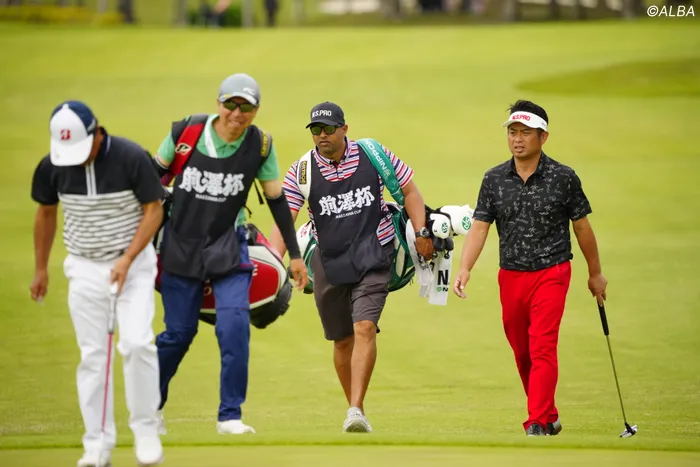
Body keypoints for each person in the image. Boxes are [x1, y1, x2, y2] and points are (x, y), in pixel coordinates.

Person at [151, 73, 308, 435]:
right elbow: (151, 180)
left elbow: (277, 200)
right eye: (231, 104)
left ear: (256, 110)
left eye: (246, 106)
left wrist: (295, 255)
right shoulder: (186, 133)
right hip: (180, 247)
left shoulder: (261, 145)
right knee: (178, 334)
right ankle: (151, 406)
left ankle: (230, 416)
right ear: (218, 104)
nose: (237, 113)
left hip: (228, 246)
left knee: (234, 327)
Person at [269, 101, 434, 433]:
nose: (322, 135)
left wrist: (422, 232)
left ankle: (356, 410)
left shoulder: (373, 155)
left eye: (329, 129)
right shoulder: (302, 170)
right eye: (316, 130)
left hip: (375, 253)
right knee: (342, 340)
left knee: (364, 328)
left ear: (344, 129)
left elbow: (410, 192)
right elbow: (286, 219)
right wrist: (274, 263)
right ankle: (355, 408)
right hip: (329, 261)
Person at [453, 100, 608, 436]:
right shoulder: (494, 178)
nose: (518, 139)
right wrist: (465, 268)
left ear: (543, 137)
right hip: (510, 274)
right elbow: (480, 226)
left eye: (526, 133)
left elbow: (582, 227)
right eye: (513, 132)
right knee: (522, 351)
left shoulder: (564, 178)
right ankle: (548, 414)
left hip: (552, 271)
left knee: (542, 346)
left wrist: (595, 272)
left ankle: (536, 421)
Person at [30, 101, 165, 466]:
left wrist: (127, 259)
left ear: (97, 133)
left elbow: (154, 210)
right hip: (84, 268)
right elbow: (46, 213)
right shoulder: (53, 165)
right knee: (93, 357)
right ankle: (97, 444)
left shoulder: (130, 157)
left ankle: (146, 431)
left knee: (136, 344)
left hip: (133, 266)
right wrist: (41, 269)